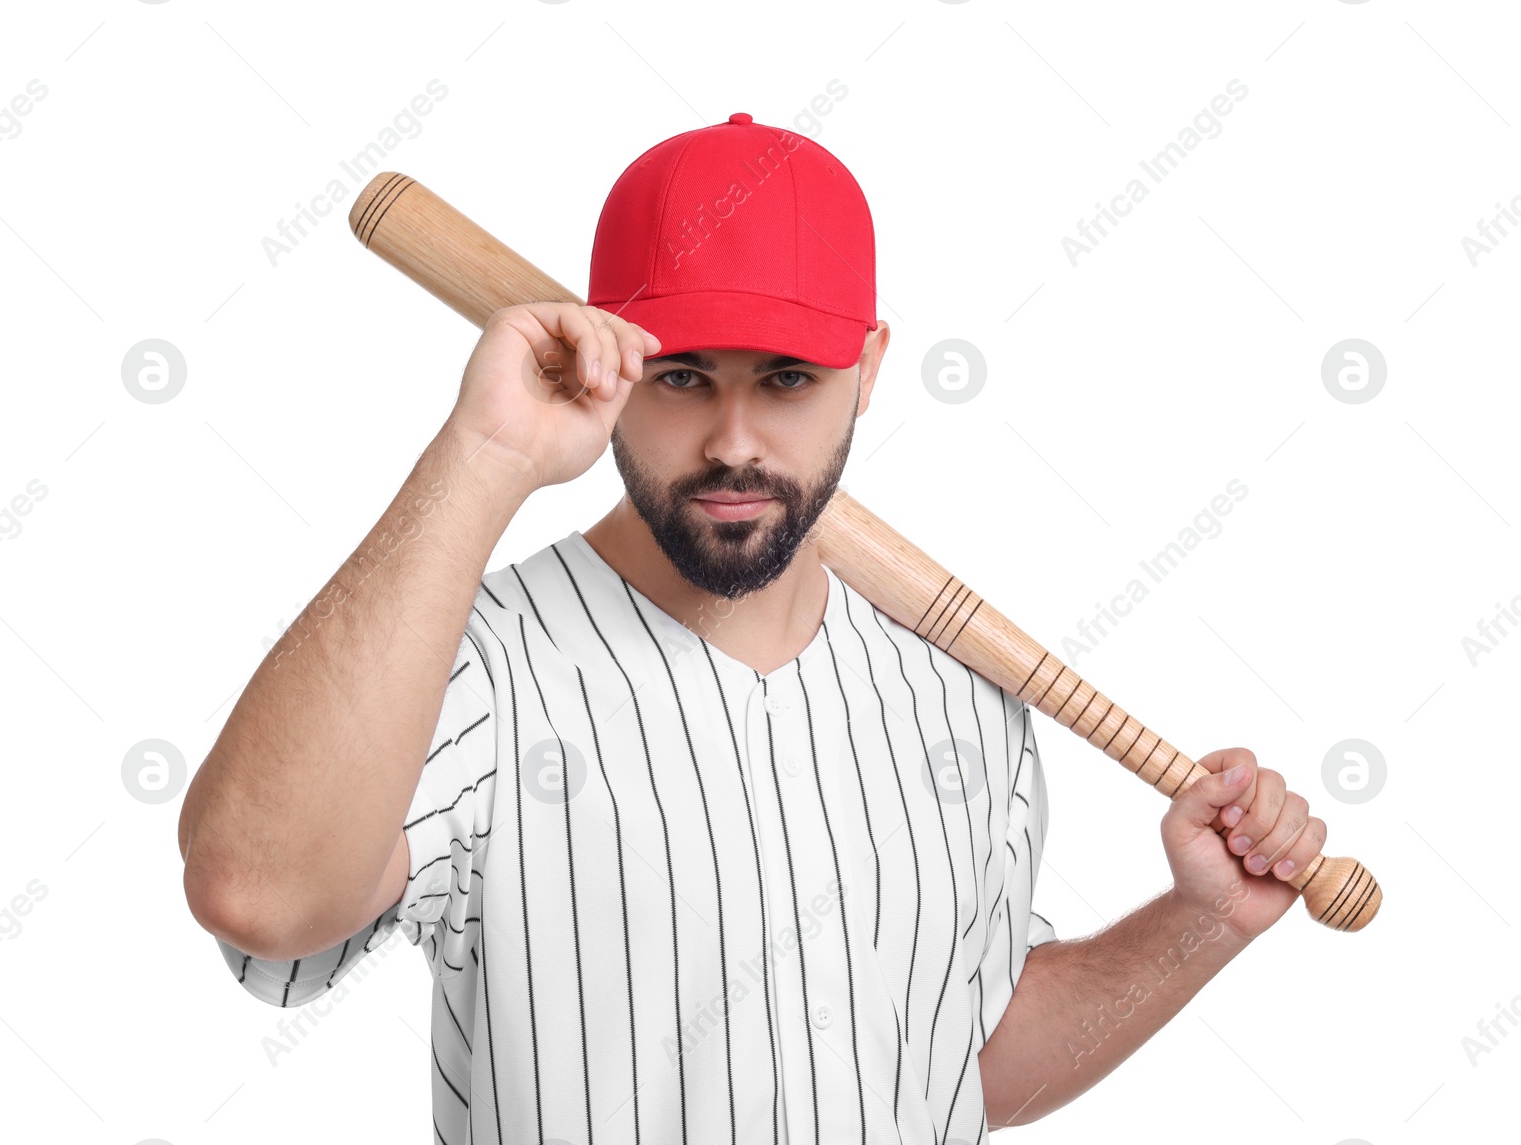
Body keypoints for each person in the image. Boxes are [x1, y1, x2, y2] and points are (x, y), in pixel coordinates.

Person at [178, 113, 1328, 1144]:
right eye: (680, 376)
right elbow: (264, 895)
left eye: (785, 378)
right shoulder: (472, 665)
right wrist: (483, 457)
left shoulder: (961, 695)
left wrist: (1200, 921)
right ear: (605, 364)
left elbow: (965, 1067)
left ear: (866, 368)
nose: (734, 439)